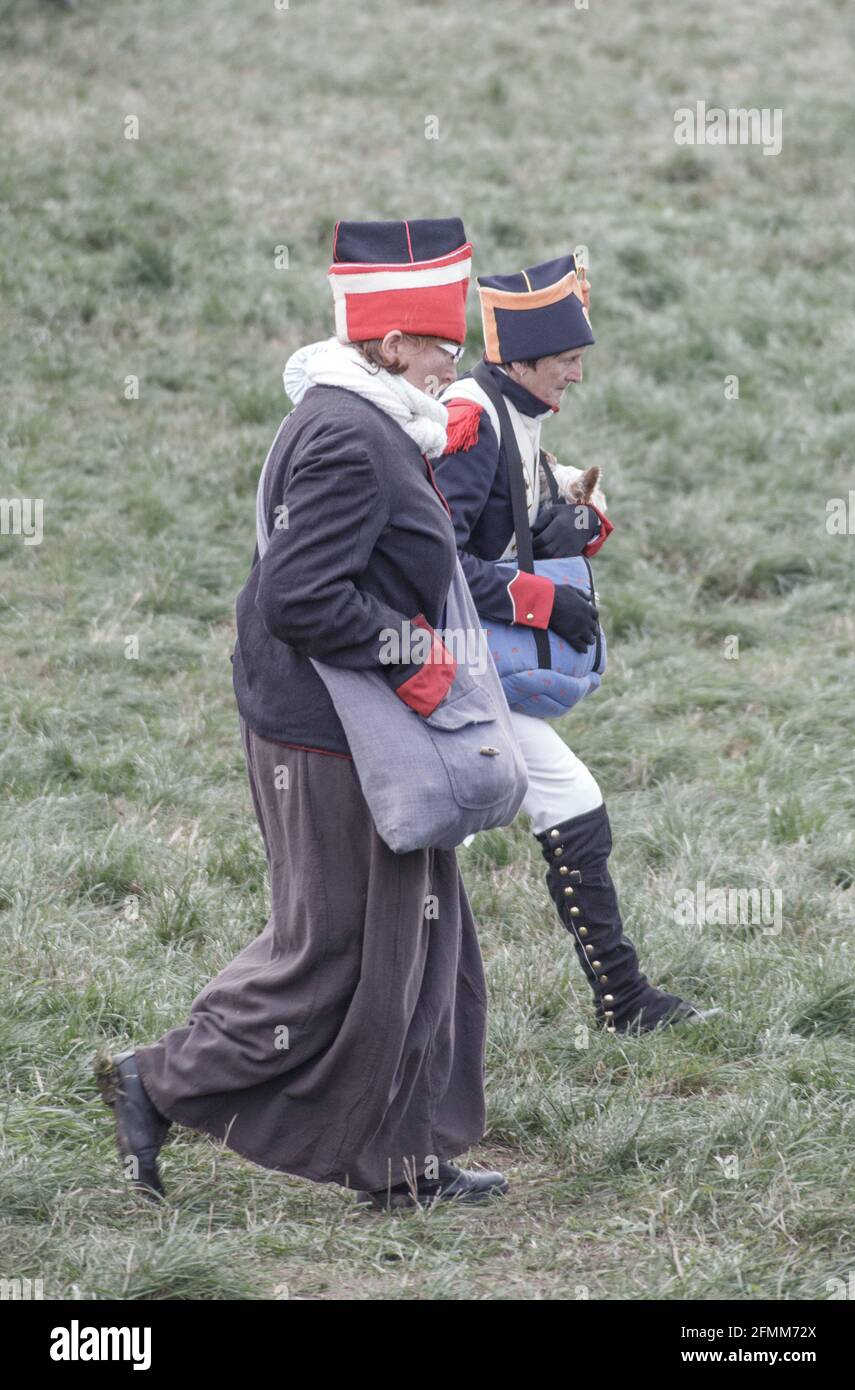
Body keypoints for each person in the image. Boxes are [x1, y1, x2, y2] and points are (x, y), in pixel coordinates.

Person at [95, 218, 508, 1210]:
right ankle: (158, 1081)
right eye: (438, 340)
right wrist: (413, 659)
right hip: (326, 735)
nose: (452, 357)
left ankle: (403, 1163)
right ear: (386, 343)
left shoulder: (366, 418)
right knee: (328, 949)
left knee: (419, 941)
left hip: (358, 725)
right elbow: (297, 597)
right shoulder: (347, 437)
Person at [434, 252, 714, 1033]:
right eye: (566, 361)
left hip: (459, 662)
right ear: (519, 360)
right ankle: (623, 1001)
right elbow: (437, 565)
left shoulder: (512, 415)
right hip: (435, 664)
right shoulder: (473, 419)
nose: (577, 377)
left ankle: (620, 999)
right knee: (565, 800)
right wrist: (541, 601)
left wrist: (571, 529)